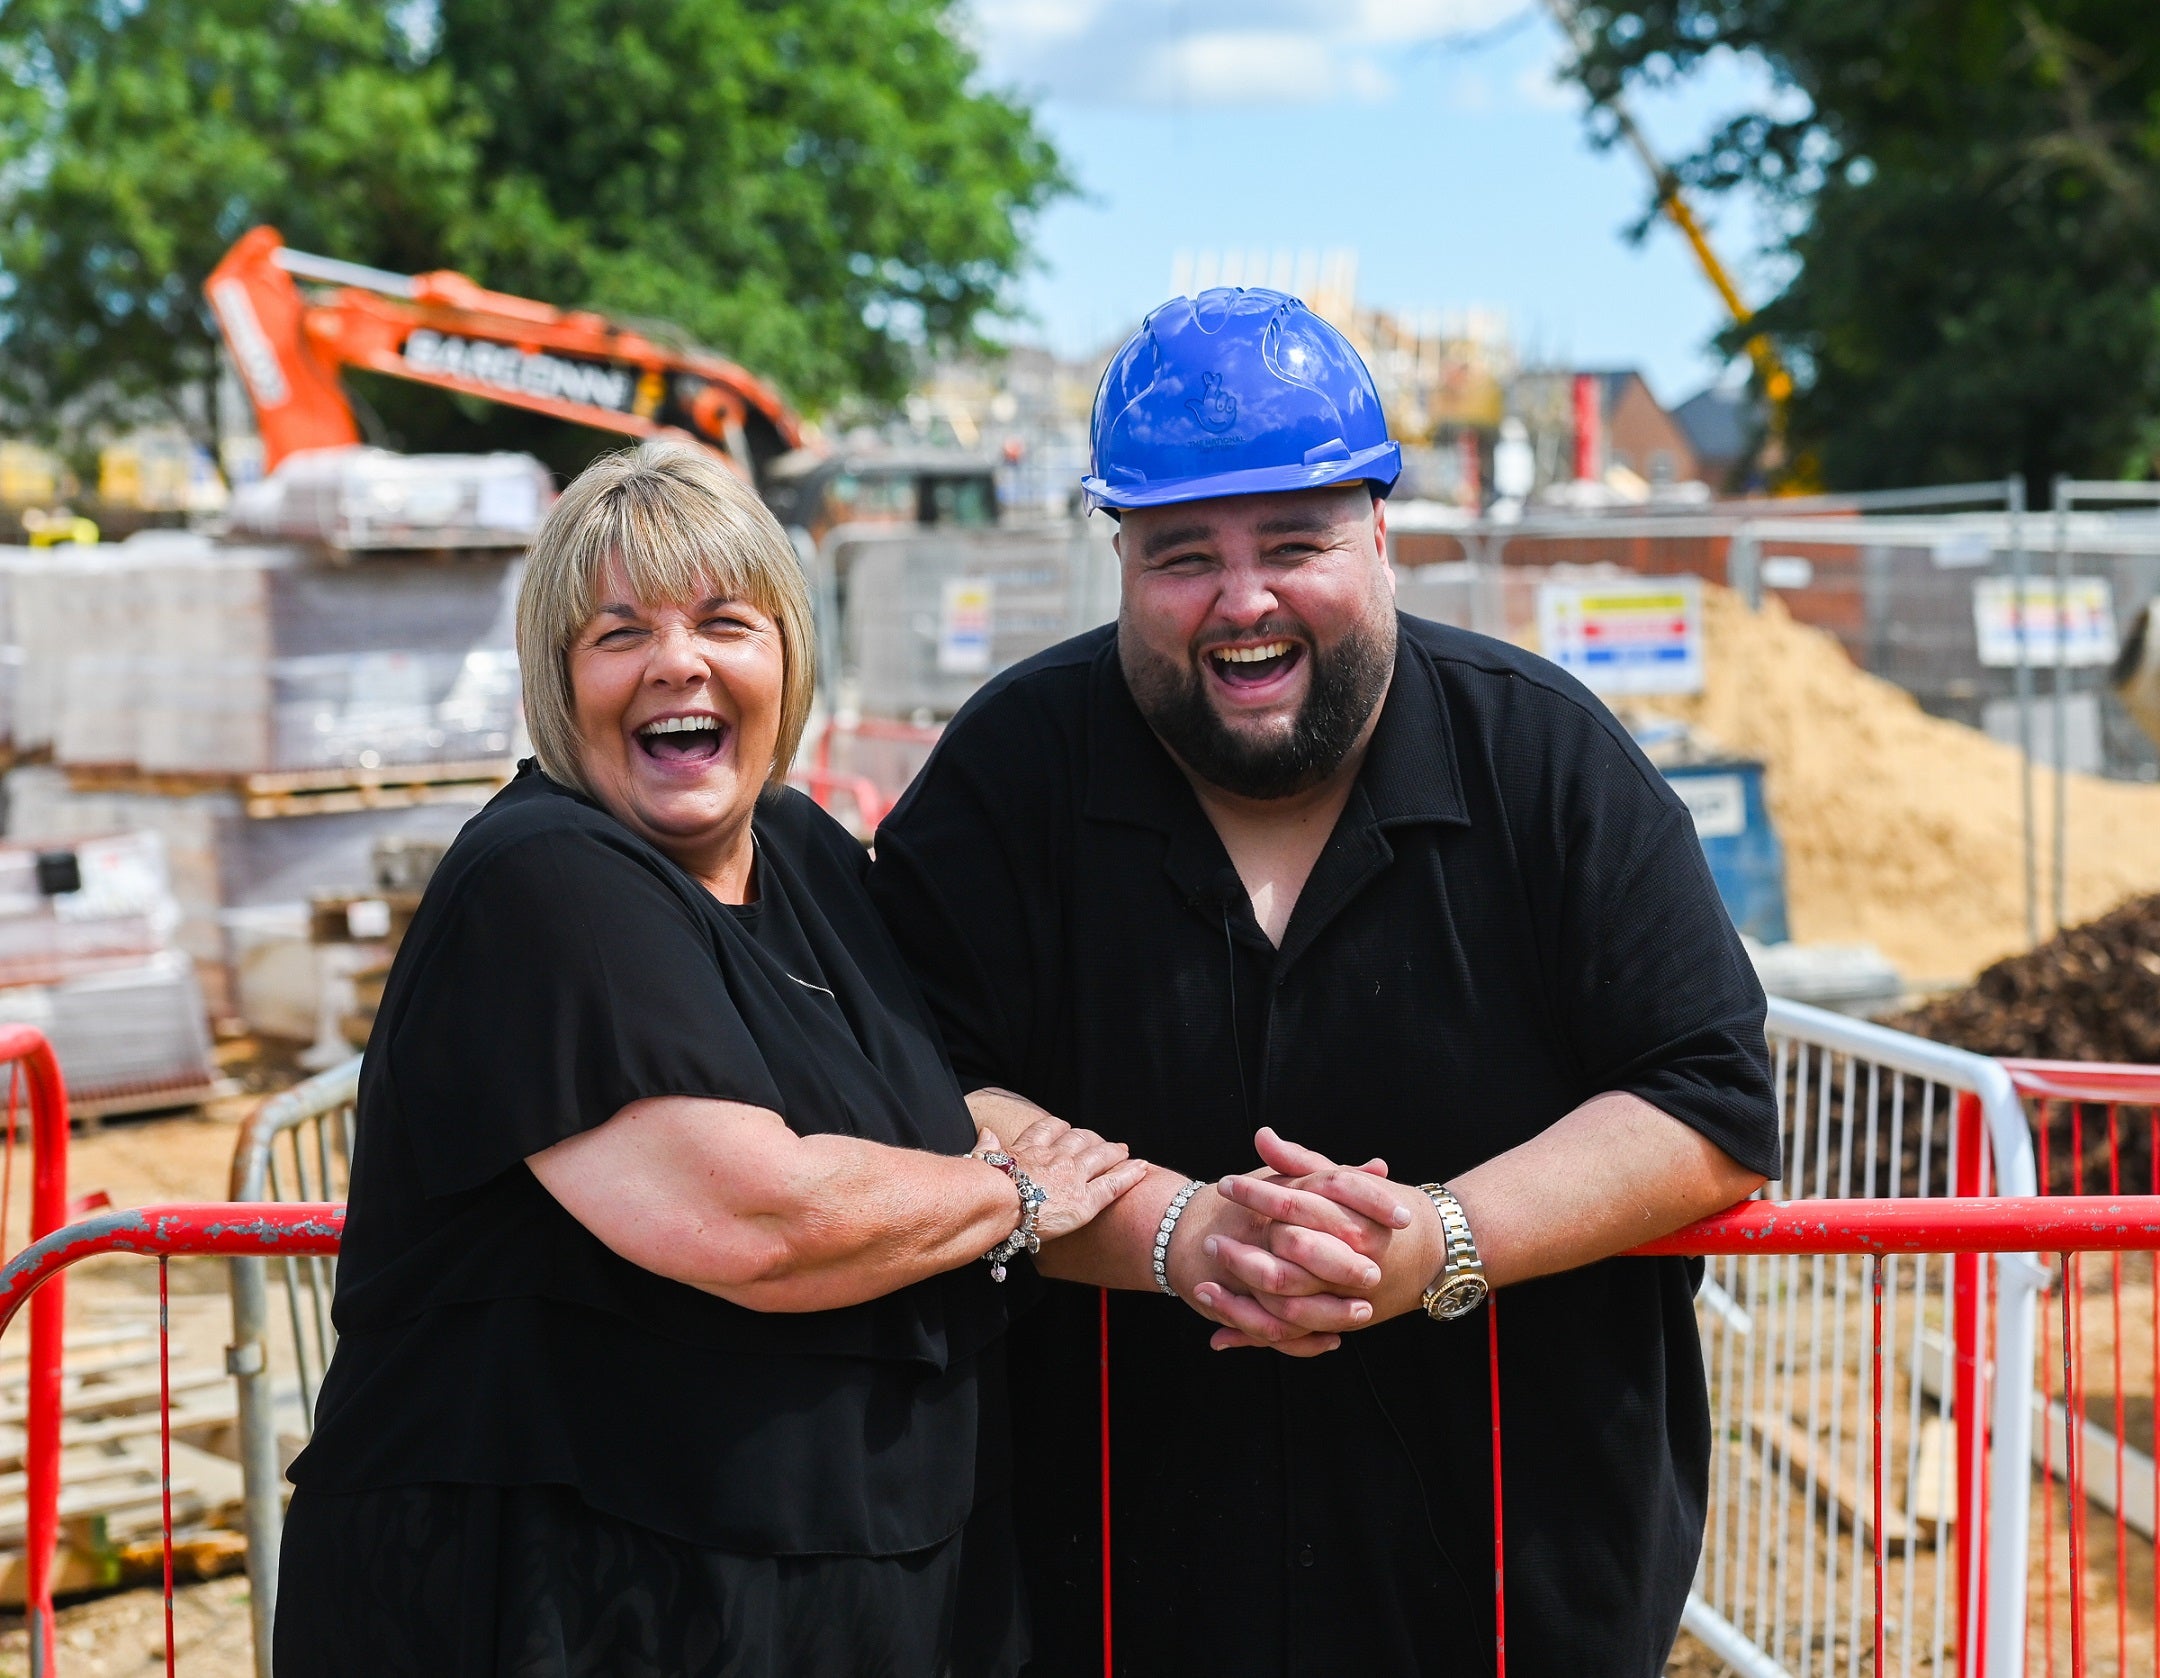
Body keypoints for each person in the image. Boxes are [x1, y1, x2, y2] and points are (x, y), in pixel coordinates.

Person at [869, 288, 1783, 1676]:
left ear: (1381, 537)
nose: (1244, 600)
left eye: (1296, 541)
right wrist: (1175, 1233)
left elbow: (1710, 1100)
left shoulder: (1542, 761)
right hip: (1106, 1594)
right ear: (1118, 557)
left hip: (1504, 1596)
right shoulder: (1010, 775)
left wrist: (1439, 1240)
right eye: (1184, 555)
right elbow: (905, 1085)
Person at [275, 438, 1147, 1678]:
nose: (676, 661)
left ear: (787, 657)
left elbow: (928, 1092)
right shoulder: (543, 880)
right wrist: (1016, 1194)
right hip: (566, 1600)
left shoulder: (805, 852)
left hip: (819, 1586)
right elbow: (758, 1219)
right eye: (617, 633)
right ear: (556, 681)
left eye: (725, 621)